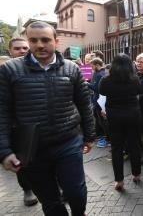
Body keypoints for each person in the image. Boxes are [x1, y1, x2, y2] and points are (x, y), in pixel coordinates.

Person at [0, 21, 95, 215]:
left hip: (68, 143)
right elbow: (2, 111)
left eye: (45, 40)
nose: (39, 45)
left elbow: (85, 104)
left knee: (76, 191)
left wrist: (89, 136)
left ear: (56, 41)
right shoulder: (10, 70)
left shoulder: (72, 69)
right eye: (33, 40)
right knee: (50, 201)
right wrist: (4, 151)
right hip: (32, 149)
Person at [99, 53, 142, 191]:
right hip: (132, 115)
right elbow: (138, 92)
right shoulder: (135, 80)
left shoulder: (106, 81)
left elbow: (102, 92)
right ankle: (136, 174)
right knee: (134, 144)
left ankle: (119, 180)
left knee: (117, 147)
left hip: (114, 116)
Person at [6, 37, 39, 207]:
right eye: (17, 48)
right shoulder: (6, 72)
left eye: (25, 48)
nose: (22, 51)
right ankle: (27, 189)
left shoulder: (39, 68)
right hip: (18, 127)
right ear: (10, 51)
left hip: (40, 125)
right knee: (23, 162)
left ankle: (57, 186)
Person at [89, 57, 109, 148]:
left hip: (100, 102)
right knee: (99, 121)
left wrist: (87, 84)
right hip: (96, 101)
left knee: (103, 122)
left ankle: (106, 138)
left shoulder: (100, 74)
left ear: (97, 65)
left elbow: (98, 89)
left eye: (92, 66)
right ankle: (102, 137)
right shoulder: (96, 73)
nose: (91, 67)